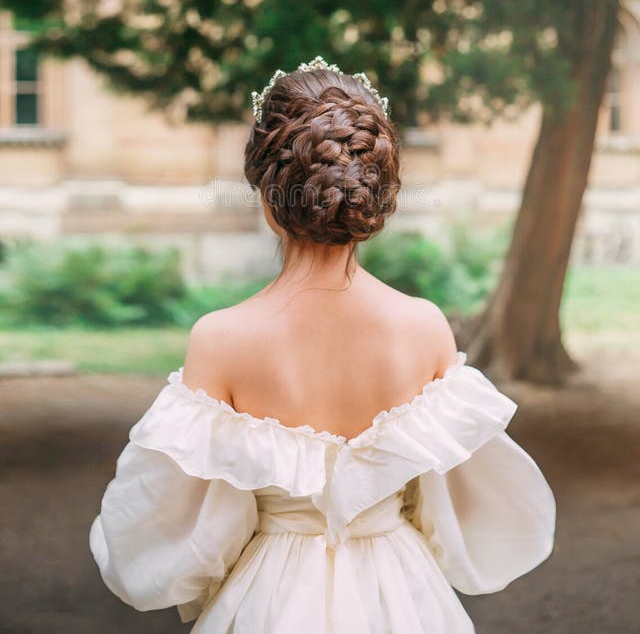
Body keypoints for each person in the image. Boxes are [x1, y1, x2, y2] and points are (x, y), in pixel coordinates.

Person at [89, 56, 556, 633]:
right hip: (402, 597)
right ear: (375, 195)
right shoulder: (425, 326)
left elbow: (188, 530)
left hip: (269, 600)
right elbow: (457, 511)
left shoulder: (219, 339)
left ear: (267, 198)